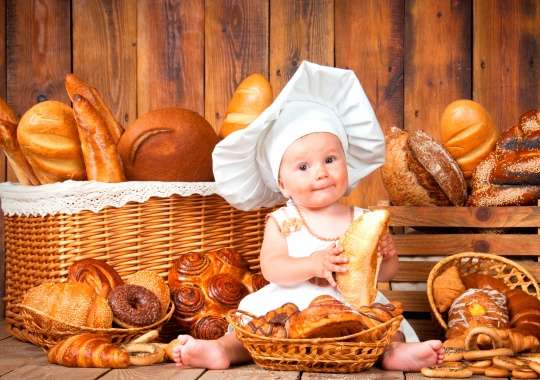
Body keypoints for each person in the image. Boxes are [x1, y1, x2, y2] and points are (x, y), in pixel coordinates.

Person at [172, 61, 444, 371]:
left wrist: (388, 257)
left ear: (346, 162)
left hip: (351, 306)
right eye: (303, 167)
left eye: (330, 159)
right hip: (291, 306)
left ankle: (394, 354)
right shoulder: (283, 221)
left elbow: (383, 275)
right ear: (282, 183)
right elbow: (272, 268)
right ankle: (221, 350)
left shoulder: (363, 218)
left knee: (383, 328)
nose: (321, 173)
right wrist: (312, 264)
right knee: (256, 332)